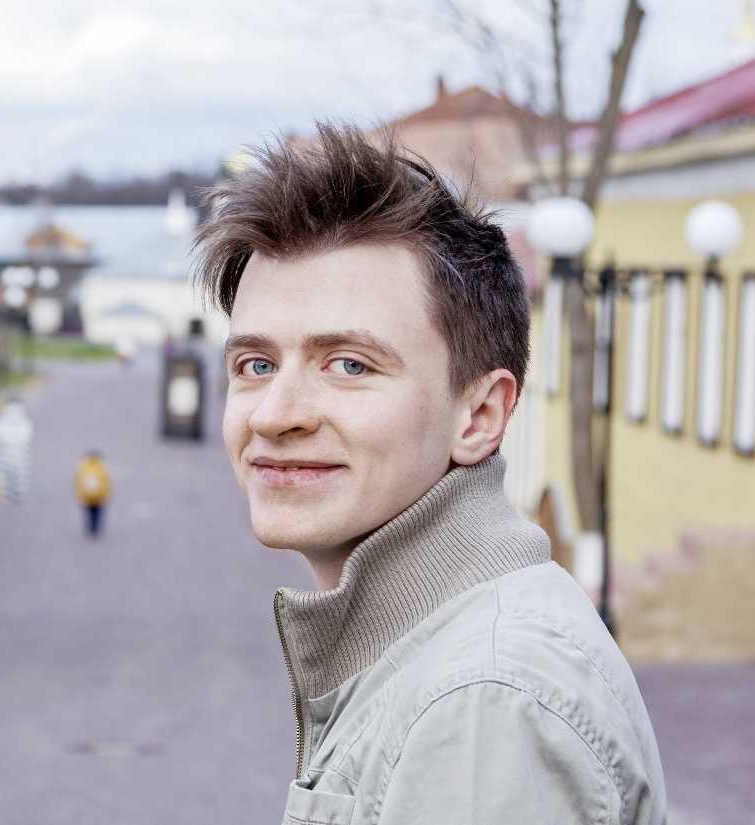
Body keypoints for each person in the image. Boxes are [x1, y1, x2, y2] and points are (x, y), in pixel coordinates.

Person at [192, 122, 666, 823]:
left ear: (479, 414)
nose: (274, 415)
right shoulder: (440, 653)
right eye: (256, 364)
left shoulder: (483, 702)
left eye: (348, 364)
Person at [73, 449, 111, 537]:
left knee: (89, 513)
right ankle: (95, 529)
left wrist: (79, 495)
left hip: (86, 496)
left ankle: (90, 528)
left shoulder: (83, 468)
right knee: (97, 514)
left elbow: (78, 482)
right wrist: (107, 495)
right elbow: (106, 483)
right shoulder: (102, 468)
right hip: (99, 496)